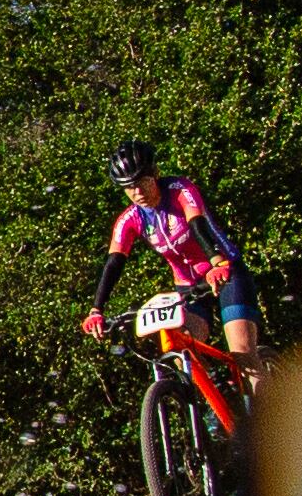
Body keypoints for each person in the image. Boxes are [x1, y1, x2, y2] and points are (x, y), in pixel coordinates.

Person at [79, 138, 261, 372]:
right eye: (128, 186)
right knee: (180, 354)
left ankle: (268, 406)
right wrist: (97, 310)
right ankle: (218, 399)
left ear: (154, 174)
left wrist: (217, 262)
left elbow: (198, 224)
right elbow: (114, 262)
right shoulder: (130, 219)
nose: (137, 192)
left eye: (142, 182)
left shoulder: (179, 190)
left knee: (243, 354)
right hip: (188, 286)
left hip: (226, 273)